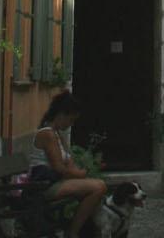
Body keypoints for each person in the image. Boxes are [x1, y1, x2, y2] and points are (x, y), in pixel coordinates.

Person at [28, 91, 107, 236]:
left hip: (55, 181)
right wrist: (81, 173)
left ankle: (84, 230)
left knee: (98, 186)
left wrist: (80, 172)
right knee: (98, 187)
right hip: (43, 185)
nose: (71, 124)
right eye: (71, 120)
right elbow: (59, 168)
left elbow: (69, 163)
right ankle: (72, 233)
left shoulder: (57, 134)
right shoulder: (47, 134)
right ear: (61, 114)